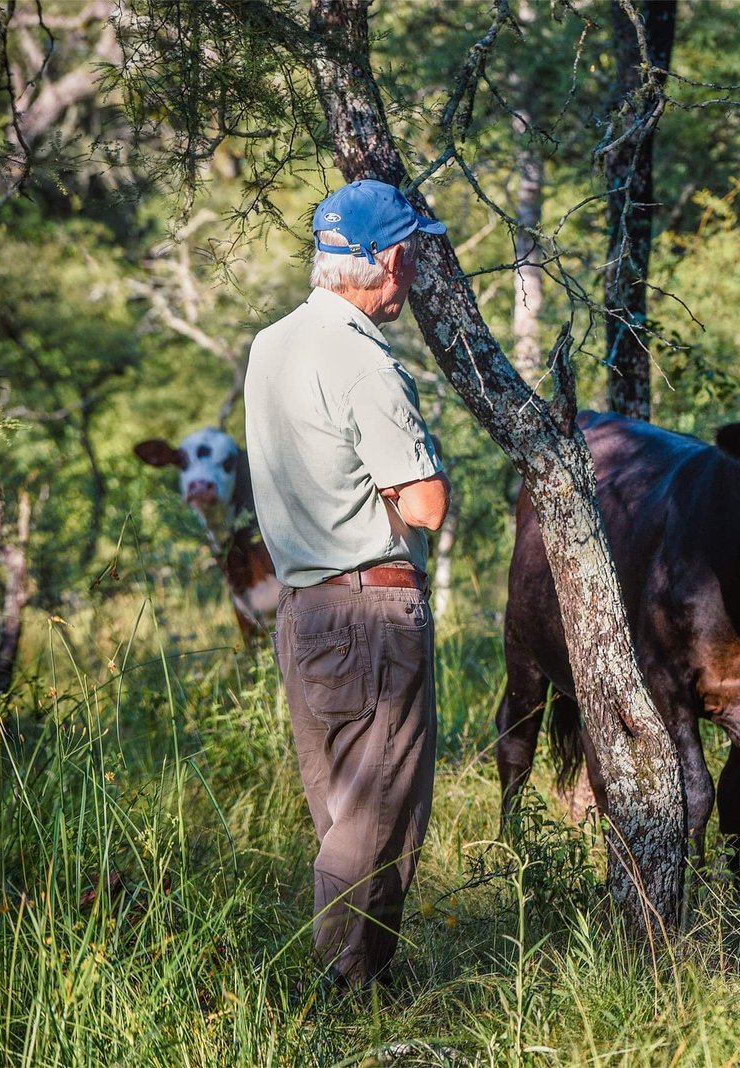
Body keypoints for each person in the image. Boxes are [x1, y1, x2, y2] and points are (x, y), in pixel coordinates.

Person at [244, 178, 450, 989]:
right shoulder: (361, 358)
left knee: (343, 813)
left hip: (302, 611)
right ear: (389, 259)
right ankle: (344, 992)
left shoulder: (271, 343)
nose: (413, 271)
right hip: (371, 608)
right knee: (378, 820)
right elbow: (426, 505)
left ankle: (357, 985)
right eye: (412, 254)